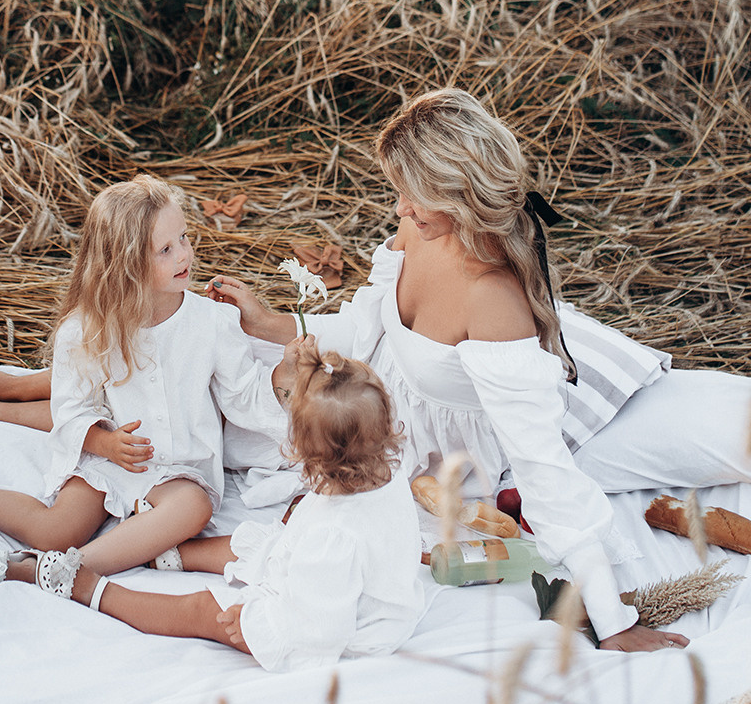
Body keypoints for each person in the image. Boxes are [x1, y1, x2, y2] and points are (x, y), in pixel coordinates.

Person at [211, 88, 751, 653]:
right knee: (226, 392)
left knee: (716, 428)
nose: (398, 210)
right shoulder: (421, 230)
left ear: (459, 195)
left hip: (500, 413)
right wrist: (272, 324)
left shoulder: (493, 300)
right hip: (416, 393)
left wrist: (614, 622)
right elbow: (367, 326)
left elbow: (543, 467)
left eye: (410, 196)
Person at [0, 175, 289, 586]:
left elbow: (243, 396)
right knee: (56, 531)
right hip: (106, 455)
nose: (184, 254)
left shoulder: (211, 322)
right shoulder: (87, 331)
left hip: (181, 469)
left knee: (193, 508)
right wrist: (104, 443)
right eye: (165, 249)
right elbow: (70, 408)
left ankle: (51, 570)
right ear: (125, 263)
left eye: (184, 238)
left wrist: (286, 376)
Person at [0, 341, 426, 672]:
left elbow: (318, 631)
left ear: (312, 458)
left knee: (199, 609)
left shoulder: (334, 538)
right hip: (338, 578)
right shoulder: (385, 470)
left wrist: (249, 622)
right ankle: (171, 554)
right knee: (255, 544)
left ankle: (91, 588)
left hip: (341, 621)